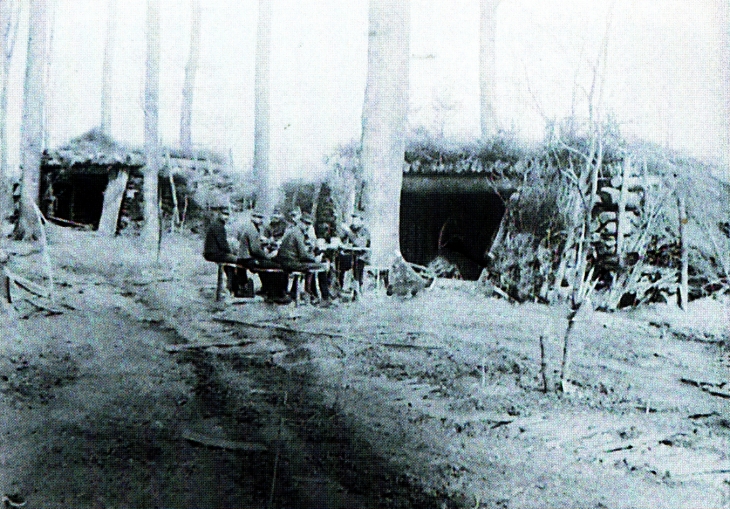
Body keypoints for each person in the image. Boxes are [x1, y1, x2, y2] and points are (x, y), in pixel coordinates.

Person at [276, 212, 330, 303]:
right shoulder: (298, 234)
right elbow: (303, 255)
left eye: (309, 224)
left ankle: (309, 293)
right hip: (291, 263)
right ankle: (324, 297)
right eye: (305, 223)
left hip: (286, 261)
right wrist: (315, 259)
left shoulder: (294, 231)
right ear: (300, 222)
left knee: (314, 265)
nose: (307, 226)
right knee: (322, 266)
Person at [237, 211, 290, 303]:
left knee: (272, 265)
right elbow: (255, 250)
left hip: (248, 257)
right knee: (276, 266)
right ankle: (275, 294)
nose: (260, 220)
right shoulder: (251, 229)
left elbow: (256, 246)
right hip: (247, 259)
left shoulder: (255, 228)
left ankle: (269, 290)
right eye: (257, 217)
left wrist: (266, 244)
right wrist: (267, 257)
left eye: (261, 217)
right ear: (252, 217)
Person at [203, 205, 238, 295]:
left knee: (230, 265)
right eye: (224, 214)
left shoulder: (217, 224)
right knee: (238, 261)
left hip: (214, 253)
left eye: (227, 215)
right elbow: (222, 244)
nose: (226, 217)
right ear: (219, 214)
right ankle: (234, 288)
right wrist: (230, 252)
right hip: (214, 253)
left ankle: (231, 287)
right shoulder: (218, 226)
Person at [338, 212, 371, 297]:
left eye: (356, 219)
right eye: (353, 219)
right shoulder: (351, 229)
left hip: (362, 256)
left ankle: (357, 290)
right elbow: (342, 239)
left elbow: (360, 244)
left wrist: (349, 232)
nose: (353, 221)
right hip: (350, 255)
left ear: (361, 221)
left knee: (357, 264)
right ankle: (339, 288)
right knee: (338, 262)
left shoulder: (364, 231)